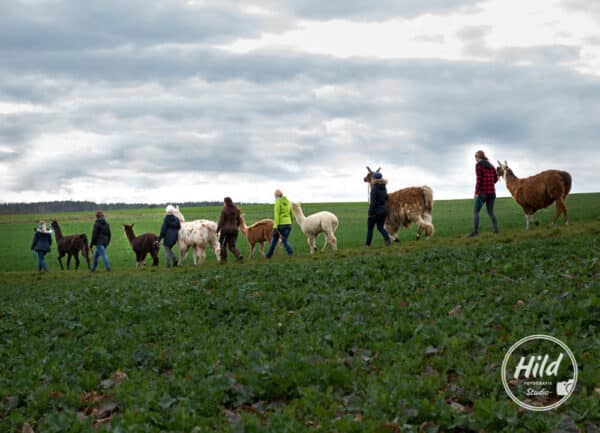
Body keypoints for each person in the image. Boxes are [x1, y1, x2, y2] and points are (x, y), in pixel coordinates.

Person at [468, 150, 500, 237]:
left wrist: (476, 192)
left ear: (478, 157)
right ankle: (496, 230)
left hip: (483, 193)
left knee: (476, 212)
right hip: (492, 193)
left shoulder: (479, 166)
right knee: (491, 212)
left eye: (476, 158)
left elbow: (479, 180)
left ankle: (475, 232)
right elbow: (495, 180)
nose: (475, 160)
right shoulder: (491, 166)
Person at [366, 172, 392, 246]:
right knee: (380, 228)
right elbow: (387, 197)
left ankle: (367, 244)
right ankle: (387, 239)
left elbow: (372, 203)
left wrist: (370, 214)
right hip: (383, 211)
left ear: (374, 179)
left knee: (370, 229)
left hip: (375, 212)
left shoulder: (374, 189)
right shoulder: (384, 188)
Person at [266, 189, 293, 258]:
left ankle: (269, 255)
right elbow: (291, 213)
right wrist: (291, 222)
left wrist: (275, 227)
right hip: (288, 224)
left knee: (275, 240)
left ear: (276, 196)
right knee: (284, 239)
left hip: (281, 225)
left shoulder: (278, 202)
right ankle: (269, 255)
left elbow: (277, 215)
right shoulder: (288, 202)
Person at [217, 197, 243, 263]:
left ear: (225, 202)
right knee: (232, 246)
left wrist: (217, 230)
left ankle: (224, 260)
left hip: (225, 230)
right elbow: (239, 221)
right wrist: (236, 227)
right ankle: (238, 255)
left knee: (222, 245)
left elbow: (221, 222)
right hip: (234, 230)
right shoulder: (236, 209)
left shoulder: (224, 210)